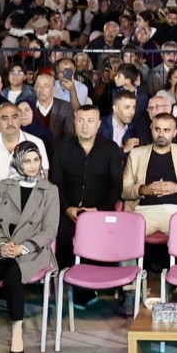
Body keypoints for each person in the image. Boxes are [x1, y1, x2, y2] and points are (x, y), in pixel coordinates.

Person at [0, 141, 58, 353]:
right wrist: (2, 244)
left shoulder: (49, 189)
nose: (32, 166)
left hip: (31, 251)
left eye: (36, 160)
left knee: (13, 276)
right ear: (17, 162)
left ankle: (17, 332)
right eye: (27, 161)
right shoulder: (4, 185)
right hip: (0, 247)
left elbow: (50, 230)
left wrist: (22, 247)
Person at [48, 104, 125, 274]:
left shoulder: (110, 149)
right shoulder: (62, 148)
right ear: (74, 122)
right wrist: (68, 208)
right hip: (69, 210)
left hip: (100, 211)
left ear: (98, 124)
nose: (85, 126)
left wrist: (99, 210)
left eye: (90, 121)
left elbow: (116, 185)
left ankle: (100, 280)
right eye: (81, 121)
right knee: (62, 234)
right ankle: (68, 278)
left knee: (103, 237)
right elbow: (56, 183)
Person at [121, 114, 177, 236]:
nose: (161, 134)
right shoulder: (136, 154)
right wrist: (143, 190)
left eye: (166, 130)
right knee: (124, 237)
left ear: (175, 133)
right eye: (157, 129)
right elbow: (124, 190)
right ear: (151, 128)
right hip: (144, 211)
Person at [0, 101, 48, 196]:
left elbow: (43, 181)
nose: (10, 122)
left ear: (20, 119)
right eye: (4, 118)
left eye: (14, 117)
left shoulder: (37, 142)